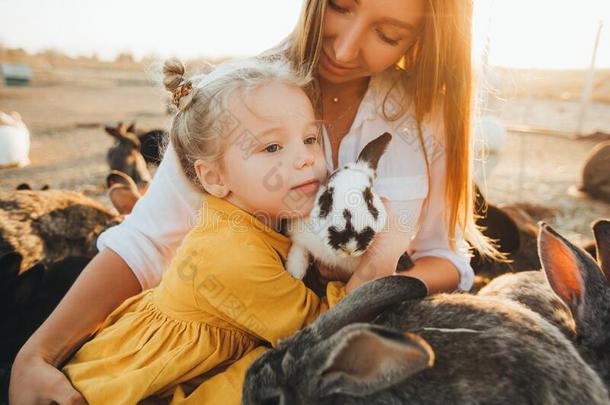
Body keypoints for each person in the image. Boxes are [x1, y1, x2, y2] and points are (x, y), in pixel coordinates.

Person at [9, 0, 500, 404]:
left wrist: (378, 280)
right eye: (340, 6)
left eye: (387, 35)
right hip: (242, 352)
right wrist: (36, 355)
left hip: (336, 351)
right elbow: (143, 243)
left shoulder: (426, 118)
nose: (347, 47)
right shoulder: (228, 101)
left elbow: (447, 259)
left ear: (425, 39)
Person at [61, 57, 351, 404]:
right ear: (214, 178)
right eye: (272, 147)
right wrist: (371, 267)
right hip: (143, 386)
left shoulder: (253, 219)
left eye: (310, 138)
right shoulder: (231, 254)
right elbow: (321, 332)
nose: (306, 158)